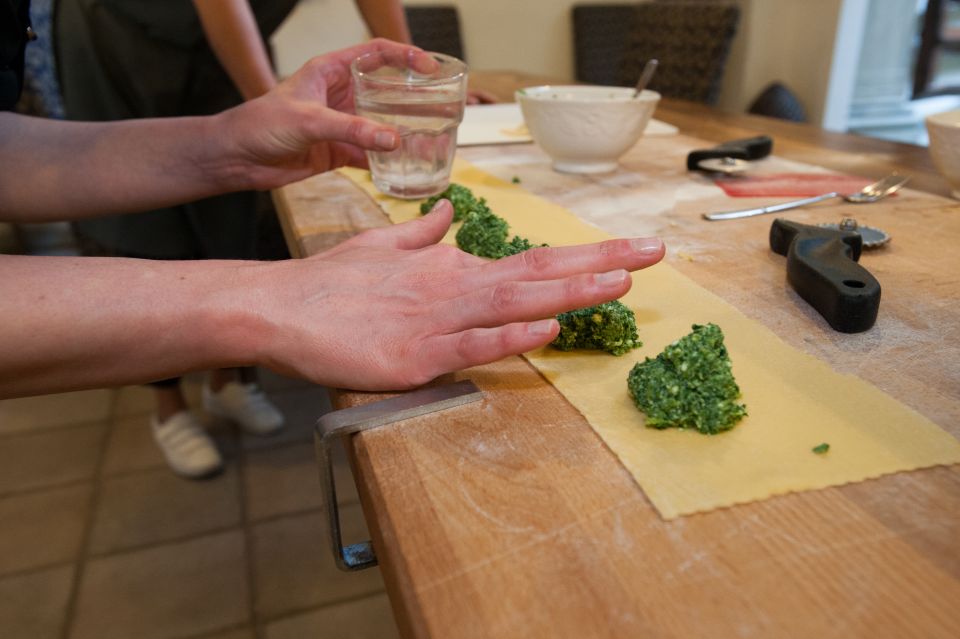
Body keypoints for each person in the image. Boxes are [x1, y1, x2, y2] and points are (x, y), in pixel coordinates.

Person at [2, 32, 665, 440]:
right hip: (126, 54)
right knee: (154, 234)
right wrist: (263, 301)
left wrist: (222, 147)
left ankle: (228, 385)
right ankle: (176, 407)